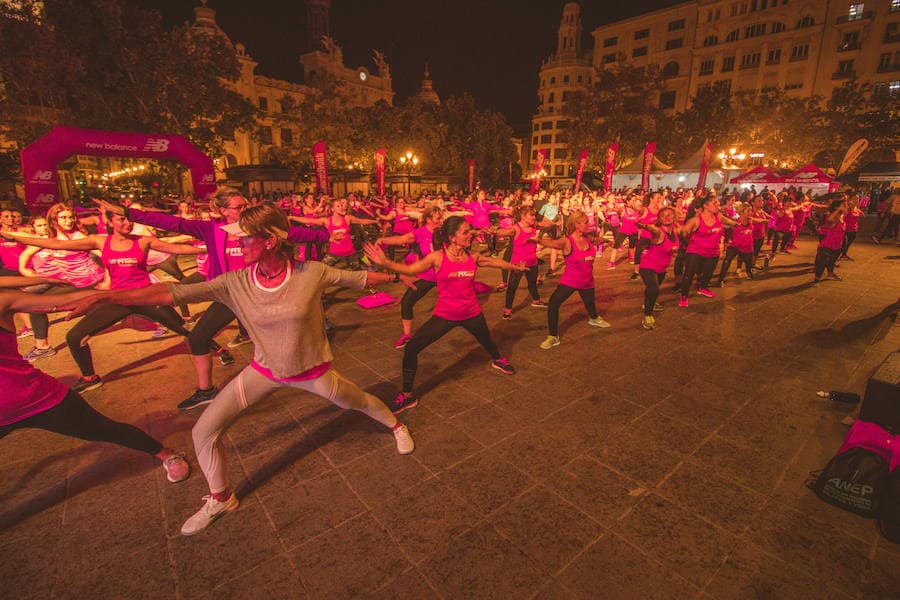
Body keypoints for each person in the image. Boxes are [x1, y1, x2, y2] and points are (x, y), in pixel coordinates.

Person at [65, 204, 414, 536]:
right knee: (203, 432)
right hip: (263, 371)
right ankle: (221, 498)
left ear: (270, 240)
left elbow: (362, 279)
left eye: (245, 236)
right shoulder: (234, 281)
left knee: (357, 402)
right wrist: (106, 297)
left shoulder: (313, 273)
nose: (237, 242)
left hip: (312, 372)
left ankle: (396, 425)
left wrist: (397, 271)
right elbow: (171, 294)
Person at [98, 189, 331, 410]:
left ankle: (311, 364)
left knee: (285, 332)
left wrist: (325, 234)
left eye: (246, 205)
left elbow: (297, 234)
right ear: (222, 210)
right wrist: (129, 213)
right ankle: (206, 391)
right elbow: (173, 223)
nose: (245, 209)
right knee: (198, 338)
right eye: (238, 207)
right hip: (231, 295)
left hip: (263, 292)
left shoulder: (260, 227)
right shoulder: (212, 230)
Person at [0, 276, 190, 485]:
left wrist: (123, 295)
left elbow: (71, 298)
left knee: (106, 429)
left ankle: (165, 453)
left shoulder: (4, 300)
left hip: (38, 398)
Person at [1, 208, 202, 392]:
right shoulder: (99, 241)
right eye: (121, 219)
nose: (127, 223)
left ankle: (218, 349)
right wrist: (11, 235)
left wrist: (210, 247)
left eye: (129, 219)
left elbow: (178, 249)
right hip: (116, 300)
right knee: (74, 336)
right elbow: (58, 244)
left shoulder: (142, 240)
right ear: (110, 222)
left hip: (146, 297)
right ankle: (90, 377)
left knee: (186, 331)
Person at [363, 216, 523, 414]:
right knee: (412, 348)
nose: (470, 234)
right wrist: (385, 262)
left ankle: (498, 359)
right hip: (445, 314)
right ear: (453, 237)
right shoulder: (437, 257)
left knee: (487, 339)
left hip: (472, 312)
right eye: (465, 231)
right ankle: (407, 395)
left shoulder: (473, 257)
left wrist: (516, 267)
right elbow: (411, 269)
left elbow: (494, 262)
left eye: (469, 230)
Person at [536, 210, 610, 349]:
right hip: (570, 281)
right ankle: (553, 336)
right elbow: (552, 244)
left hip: (588, 280)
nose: (588, 224)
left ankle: (594, 318)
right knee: (553, 304)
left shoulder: (588, 237)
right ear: (576, 224)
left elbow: (597, 240)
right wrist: (537, 240)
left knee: (590, 302)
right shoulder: (567, 241)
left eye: (588, 222)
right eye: (585, 222)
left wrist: (606, 240)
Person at [374, 206, 444, 349]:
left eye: (441, 217)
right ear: (429, 220)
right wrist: (382, 240)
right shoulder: (420, 233)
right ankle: (407, 335)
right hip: (428, 276)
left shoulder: (444, 232)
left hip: (445, 275)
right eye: (438, 218)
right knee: (406, 302)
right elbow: (401, 239)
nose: (441, 220)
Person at [678, 196, 738, 307]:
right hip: (695, 251)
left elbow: (730, 222)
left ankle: (703, 288)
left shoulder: (719, 217)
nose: (717, 205)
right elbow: (683, 232)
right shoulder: (696, 220)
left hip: (713, 252)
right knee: (689, 274)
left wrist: (738, 224)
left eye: (718, 203)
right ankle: (684, 295)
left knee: (708, 273)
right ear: (705, 206)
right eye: (714, 203)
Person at [492, 206, 548, 321]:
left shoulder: (534, 226)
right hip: (518, 264)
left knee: (532, 283)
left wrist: (542, 217)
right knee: (512, 287)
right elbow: (504, 232)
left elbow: (550, 224)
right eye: (531, 215)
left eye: (534, 215)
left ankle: (536, 300)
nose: (533, 217)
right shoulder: (516, 228)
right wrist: (494, 231)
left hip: (532, 261)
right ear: (523, 216)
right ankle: (507, 310)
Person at [636, 207, 681, 330]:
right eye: (663, 216)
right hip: (647, 265)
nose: (666, 218)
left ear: (674, 216)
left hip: (661, 267)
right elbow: (652, 228)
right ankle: (647, 315)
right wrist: (644, 226)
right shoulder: (658, 231)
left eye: (670, 215)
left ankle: (648, 303)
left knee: (652, 290)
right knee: (654, 288)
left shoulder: (675, 231)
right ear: (659, 219)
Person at [814, 198, 847, 283]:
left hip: (837, 245)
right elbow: (829, 220)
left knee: (832, 262)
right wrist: (838, 210)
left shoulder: (842, 216)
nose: (845, 206)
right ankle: (817, 279)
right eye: (843, 205)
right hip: (827, 245)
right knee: (822, 263)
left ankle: (830, 274)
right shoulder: (832, 216)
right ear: (836, 207)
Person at [840, 195, 862, 260]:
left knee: (849, 242)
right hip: (845, 228)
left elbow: (858, 214)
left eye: (857, 198)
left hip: (853, 228)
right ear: (851, 199)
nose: (856, 200)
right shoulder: (848, 206)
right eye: (854, 198)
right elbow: (843, 213)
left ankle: (844, 254)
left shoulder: (856, 208)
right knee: (844, 243)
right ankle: (836, 256)